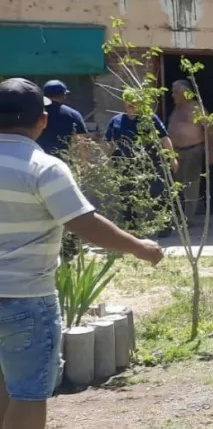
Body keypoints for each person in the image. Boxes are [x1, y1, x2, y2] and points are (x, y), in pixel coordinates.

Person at [0, 78, 163, 429]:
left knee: (5, 385)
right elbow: (84, 223)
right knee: (28, 393)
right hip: (25, 299)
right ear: (42, 121)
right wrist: (140, 247)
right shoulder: (43, 168)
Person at [105, 102, 179, 238]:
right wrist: (108, 160)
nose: (132, 105)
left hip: (150, 164)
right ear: (124, 104)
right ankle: (132, 230)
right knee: (128, 197)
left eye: (135, 102)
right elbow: (109, 142)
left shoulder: (149, 119)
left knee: (158, 195)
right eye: (128, 103)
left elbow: (164, 138)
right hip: (125, 165)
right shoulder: (116, 121)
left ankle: (164, 226)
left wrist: (172, 157)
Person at [167, 79, 213, 224]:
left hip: (193, 149)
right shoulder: (177, 108)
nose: (172, 95)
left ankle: (188, 218)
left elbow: (210, 130)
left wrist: (210, 151)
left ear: (186, 93)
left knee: (191, 184)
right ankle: (178, 215)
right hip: (176, 152)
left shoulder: (197, 108)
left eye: (176, 92)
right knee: (177, 184)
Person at [36, 80, 87, 157]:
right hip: (63, 160)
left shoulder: (34, 111)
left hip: (36, 159)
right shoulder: (73, 114)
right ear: (64, 95)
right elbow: (82, 142)